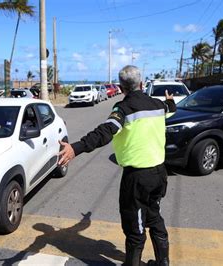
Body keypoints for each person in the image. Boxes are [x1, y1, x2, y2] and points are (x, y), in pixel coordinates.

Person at [58, 65, 176, 266]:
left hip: (138, 179)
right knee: (154, 217)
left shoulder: (123, 109)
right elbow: (171, 110)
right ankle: (163, 263)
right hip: (159, 174)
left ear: (121, 88)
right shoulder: (157, 105)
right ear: (141, 83)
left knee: (135, 229)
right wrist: (170, 100)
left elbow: (104, 132)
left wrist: (75, 148)